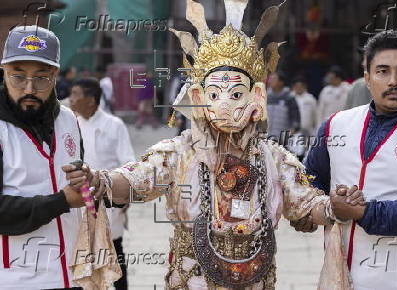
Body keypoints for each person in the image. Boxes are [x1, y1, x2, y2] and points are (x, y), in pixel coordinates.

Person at [63, 1, 363, 288]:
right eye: (215, 95)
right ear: (198, 99)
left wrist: (334, 207)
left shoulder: (274, 158)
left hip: (256, 281)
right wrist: (99, 180)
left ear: (256, 98)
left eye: (236, 95)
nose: (224, 107)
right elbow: (135, 180)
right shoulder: (179, 152)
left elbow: (307, 206)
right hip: (191, 281)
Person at [305, 30, 397, 289]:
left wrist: (363, 211)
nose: (393, 81)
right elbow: (308, 185)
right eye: (383, 71)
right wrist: (328, 204)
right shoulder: (335, 126)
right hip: (340, 278)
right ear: (367, 78)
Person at [0, 25, 85, 289]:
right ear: (3, 72)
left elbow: (79, 186)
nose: (29, 88)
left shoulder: (68, 119)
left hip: (71, 274)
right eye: (18, 77)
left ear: (55, 74)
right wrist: (61, 201)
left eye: (41, 77)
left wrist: (87, 181)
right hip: (15, 279)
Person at [69, 77, 135, 290]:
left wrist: (124, 196)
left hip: (108, 199)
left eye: (75, 94)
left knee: (114, 249)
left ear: (91, 100)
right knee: (81, 253)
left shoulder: (113, 125)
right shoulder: (71, 124)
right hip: (78, 201)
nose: (70, 99)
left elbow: (128, 163)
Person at [266, 71, 301, 140]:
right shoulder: (266, 96)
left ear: (281, 82)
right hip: (266, 136)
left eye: (274, 79)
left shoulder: (289, 97)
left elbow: (295, 117)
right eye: (271, 79)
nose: (271, 81)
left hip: (282, 138)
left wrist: (293, 130)